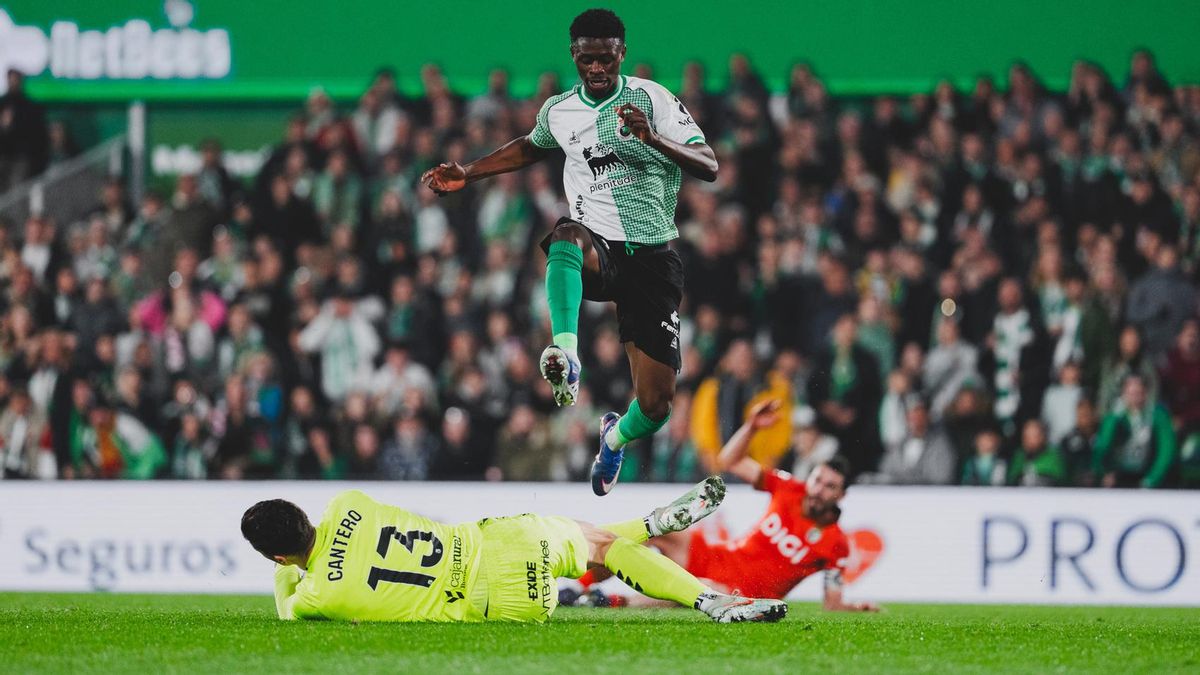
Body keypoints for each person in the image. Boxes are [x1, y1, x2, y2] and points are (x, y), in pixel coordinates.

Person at [421, 9, 717, 495]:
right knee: (565, 235)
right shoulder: (560, 110)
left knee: (657, 405)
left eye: (605, 58)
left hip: (653, 259)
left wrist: (654, 138)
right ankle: (567, 350)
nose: (596, 69)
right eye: (587, 59)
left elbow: (709, 164)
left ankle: (614, 439)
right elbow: (531, 146)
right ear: (574, 56)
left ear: (622, 52)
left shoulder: (653, 99)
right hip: (599, 245)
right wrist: (469, 172)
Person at [239, 479, 787, 623]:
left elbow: (289, 605)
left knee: (598, 544)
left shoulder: (317, 595)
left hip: (502, 607)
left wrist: (285, 570)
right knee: (598, 542)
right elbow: (335, 526)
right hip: (491, 546)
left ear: (277, 557)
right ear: (306, 515)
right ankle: (701, 593)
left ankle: (650, 526)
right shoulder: (348, 502)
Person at [579, 400, 877, 611]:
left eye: (830, 487)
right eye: (818, 480)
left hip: (743, 592)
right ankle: (580, 584)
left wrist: (855, 607)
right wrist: (751, 427)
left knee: (704, 590)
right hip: (716, 556)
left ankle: (611, 603)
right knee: (659, 530)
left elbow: (832, 602)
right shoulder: (790, 488)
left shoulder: (836, 543)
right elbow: (730, 461)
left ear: (841, 496)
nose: (819, 490)